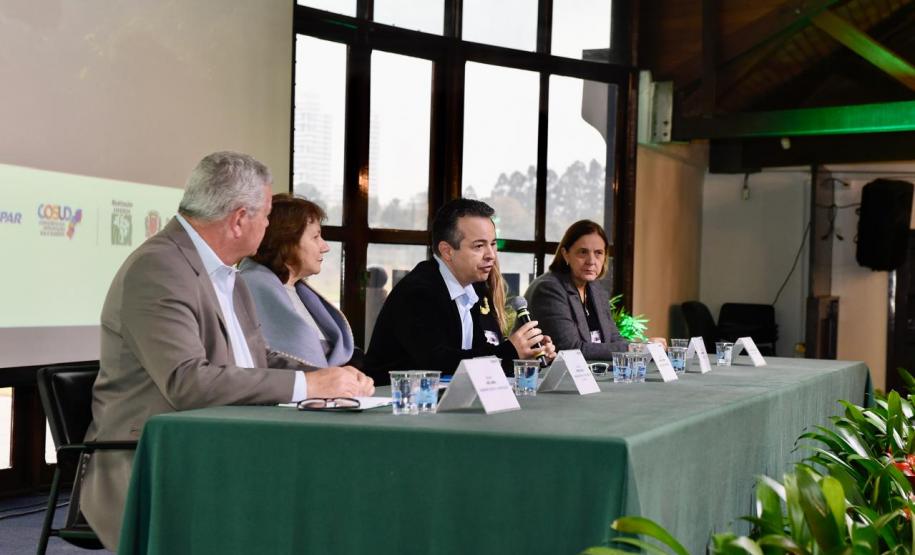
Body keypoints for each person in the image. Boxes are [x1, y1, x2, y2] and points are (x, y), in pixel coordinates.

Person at [80, 152, 374, 550]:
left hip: (221, 443)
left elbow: (255, 358)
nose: (269, 225)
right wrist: (307, 384)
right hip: (155, 460)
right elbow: (187, 382)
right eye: (267, 214)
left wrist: (330, 382)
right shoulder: (159, 269)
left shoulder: (228, 273)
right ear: (239, 218)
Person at [365, 198, 556, 384]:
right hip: (395, 404)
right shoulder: (417, 292)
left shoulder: (471, 286)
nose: (491, 255)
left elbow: (476, 352)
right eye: (479, 246)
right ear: (447, 251)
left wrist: (525, 357)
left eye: (493, 244)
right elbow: (438, 363)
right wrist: (510, 351)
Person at [239, 194, 359, 369]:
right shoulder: (249, 287)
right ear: (287, 241)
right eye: (316, 237)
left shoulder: (296, 289)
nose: (325, 247)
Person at [525, 220, 630, 359]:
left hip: (593, 374)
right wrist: (633, 349)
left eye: (598, 253)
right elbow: (571, 349)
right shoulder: (549, 289)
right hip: (552, 376)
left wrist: (644, 348)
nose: (591, 261)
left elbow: (614, 338)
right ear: (565, 254)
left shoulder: (596, 289)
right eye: (583, 252)